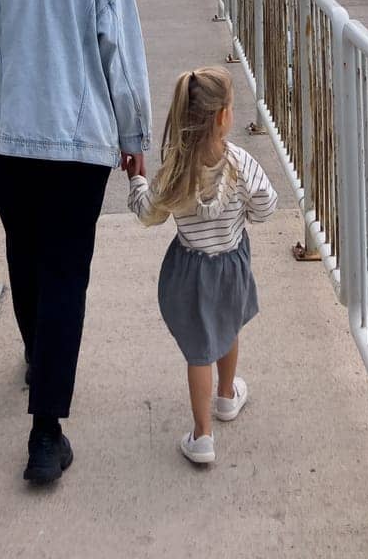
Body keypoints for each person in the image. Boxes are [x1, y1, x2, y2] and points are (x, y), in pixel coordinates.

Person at [0, 0, 151, 487]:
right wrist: (134, 139)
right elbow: (121, 61)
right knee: (67, 273)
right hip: (77, 147)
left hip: (6, 139)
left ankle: (36, 360)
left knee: (24, 255)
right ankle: (46, 431)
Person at [128, 65, 277, 466]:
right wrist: (243, 211)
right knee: (226, 326)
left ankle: (202, 436)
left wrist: (136, 182)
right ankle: (226, 396)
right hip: (230, 265)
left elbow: (149, 213)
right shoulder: (241, 164)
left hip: (189, 272)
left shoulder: (176, 168)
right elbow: (266, 205)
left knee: (199, 350)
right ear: (224, 116)